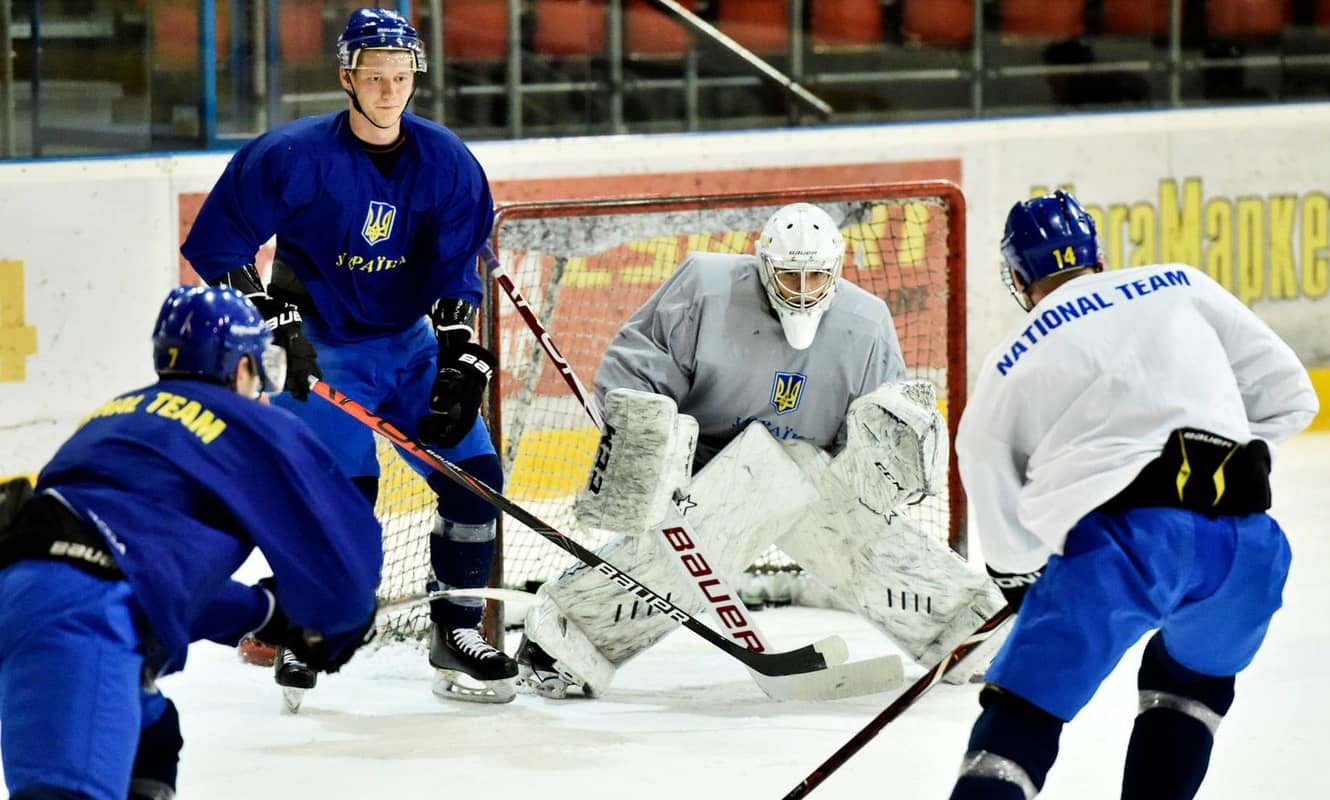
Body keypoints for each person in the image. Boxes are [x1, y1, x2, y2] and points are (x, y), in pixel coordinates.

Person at [513, 202, 1005, 698]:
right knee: (704, 528)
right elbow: (638, 370)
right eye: (791, 275)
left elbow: (876, 428)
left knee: (852, 526)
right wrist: (654, 450)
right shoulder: (705, 287)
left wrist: (890, 453)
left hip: (805, 468)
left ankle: (968, 630)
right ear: (763, 265)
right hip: (702, 466)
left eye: (817, 277)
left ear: (836, 270)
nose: (804, 289)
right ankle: (562, 642)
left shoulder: (866, 324)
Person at [180, 8, 514, 703]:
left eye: (401, 76)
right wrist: (265, 314)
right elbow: (220, 241)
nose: (390, 90)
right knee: (341, 503)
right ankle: (306, 627)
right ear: (346, 78)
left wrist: (456, 354)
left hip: (408, 346)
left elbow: (458, 263)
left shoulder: (446, 160)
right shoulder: (295, 154)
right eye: (374, 76)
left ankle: (454, 629)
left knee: (476, 476)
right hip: (322, 352)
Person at [949, 191, 1319, 799]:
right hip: (1248, 549)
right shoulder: (1178, 283)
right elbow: (1292, 396)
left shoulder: (1012, 359)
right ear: (1096, 254)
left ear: (1018, 276)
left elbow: (983, 461)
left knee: (1019, 724)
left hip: (1125, 547)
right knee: (1188, 689)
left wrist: (1019, 574)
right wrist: (1208, 459)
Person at [0, 285, 381, 800]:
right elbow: (344, 575)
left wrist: (264, 612)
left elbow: (130, 563)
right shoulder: (253, 423)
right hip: (80, 619)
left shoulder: (117, 415)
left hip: (31, 592)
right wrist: (334, 630)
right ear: (241, 365)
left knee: (151, 737)